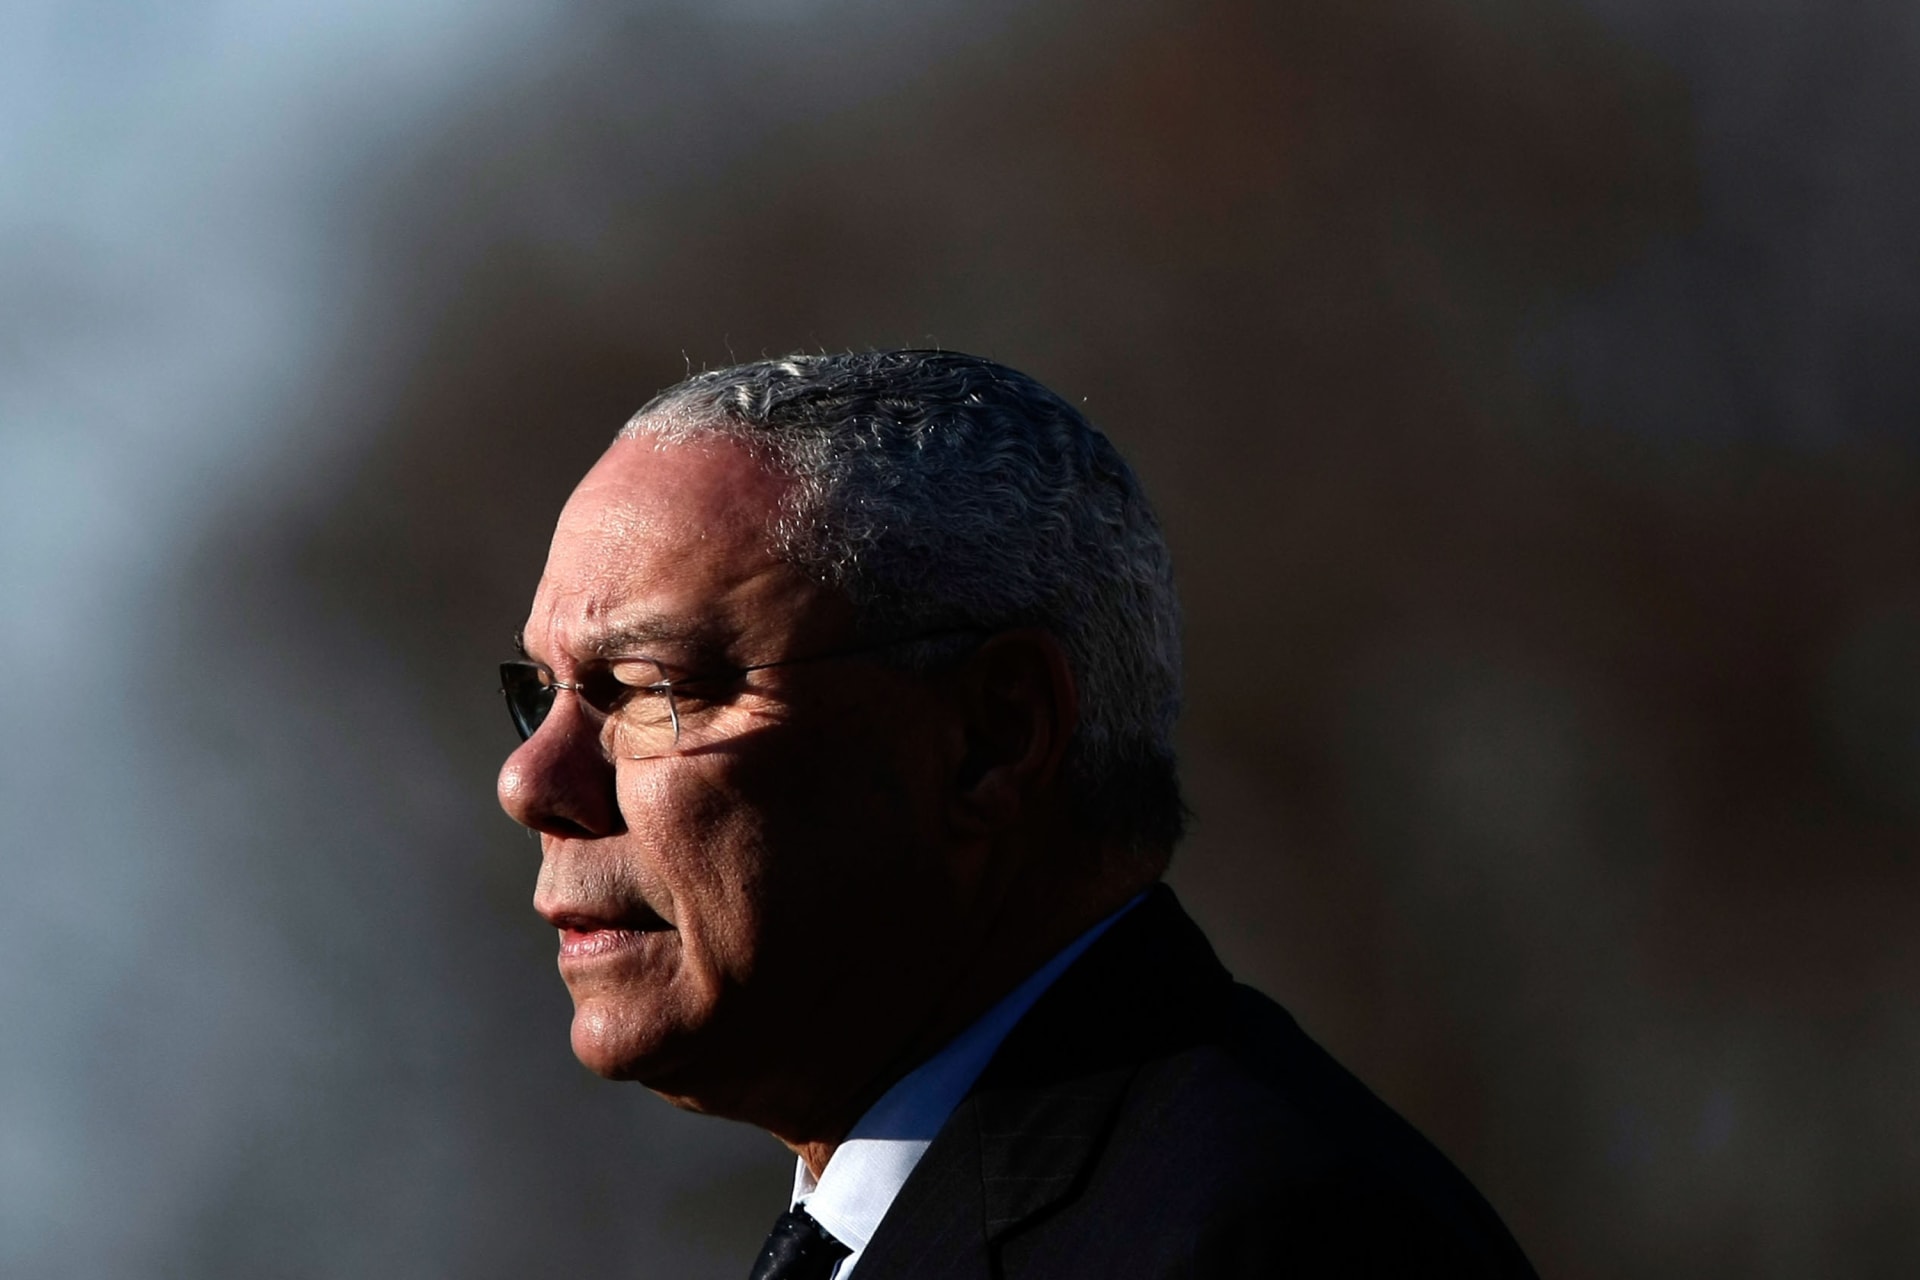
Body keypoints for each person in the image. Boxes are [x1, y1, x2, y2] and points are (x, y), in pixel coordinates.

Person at [495, 350, 1536, 1279]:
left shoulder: (1270, 1239)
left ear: (995, 736)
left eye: (643, 684)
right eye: (540, 690)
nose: (531, 779)